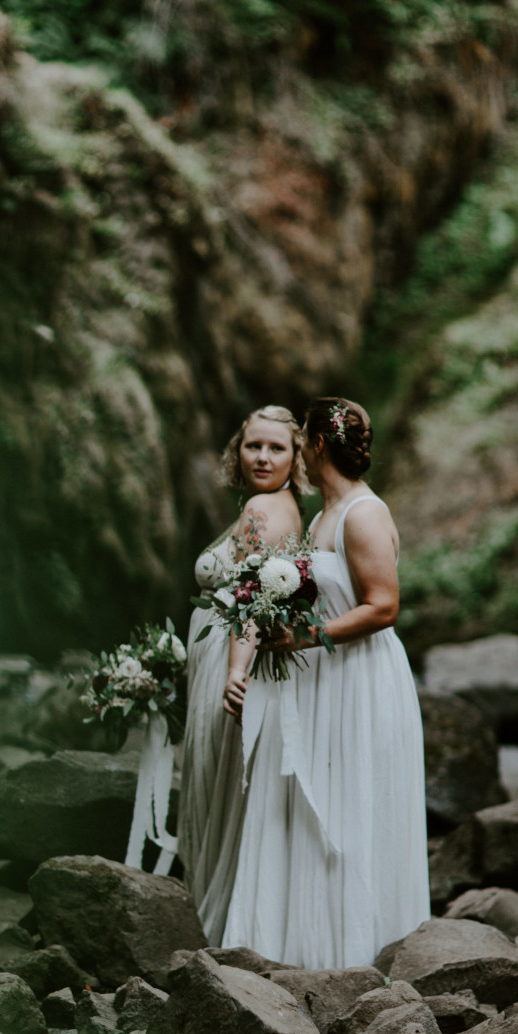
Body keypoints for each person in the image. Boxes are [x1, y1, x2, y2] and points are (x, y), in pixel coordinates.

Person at [221, 396, 430, 968]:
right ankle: (308, 951)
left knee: (354, 809)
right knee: (318, 813)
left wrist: (307, 639)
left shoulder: (363, 514)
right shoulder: (321, 516)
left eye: (301, 440)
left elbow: (383, 607)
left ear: (315, 445)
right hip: (323, 684)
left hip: (361, 682)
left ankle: (364, 956)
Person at [178, 405, 307, 944]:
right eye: (253, 445)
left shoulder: (263, 509)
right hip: (228, 655)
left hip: (232, 658)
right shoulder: (285, 506)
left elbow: (252, 596)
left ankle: (210, 925)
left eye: (276, 448)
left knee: (213, 782)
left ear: (296, 455)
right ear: (238, 449)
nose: (262, 457)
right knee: (223, 786)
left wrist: (236, 669)